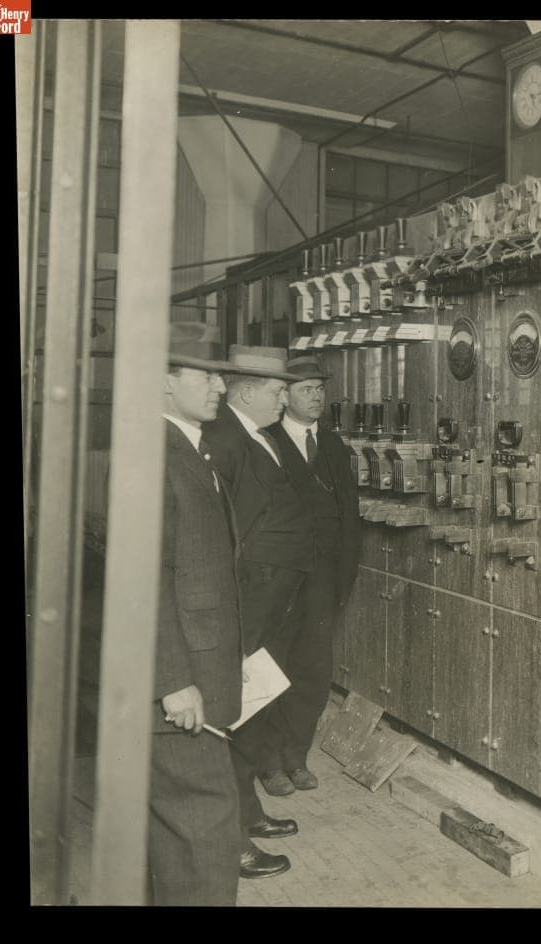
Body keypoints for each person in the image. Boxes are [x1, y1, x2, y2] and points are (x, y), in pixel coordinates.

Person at [202, 345, 310, 880]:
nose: (284, 398)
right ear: (245, 391)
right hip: (249, 600)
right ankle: (232, 835)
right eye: (276, 390)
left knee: (253, 709)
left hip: (270, 598)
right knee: (235, 715)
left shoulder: (254, 436)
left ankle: (247, 811)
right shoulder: (225, 439)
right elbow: (228, 534)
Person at [151, 323, 242, 905]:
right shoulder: (161, 457)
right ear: (164, 381)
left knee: (179, 829)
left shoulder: (189, 448)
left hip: (200, 668)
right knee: (205, 819)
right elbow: (145, 579)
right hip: (184, 681)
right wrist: (173, 680)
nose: (220, 386)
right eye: (205, 375)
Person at [262, 356, 360, 791]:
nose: (317, 395)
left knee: (314, 672)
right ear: (284, 396)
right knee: (272, 668)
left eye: (320, 388)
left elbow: (348, 516)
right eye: (306, 389)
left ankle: (295, 756)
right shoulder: (266, 443)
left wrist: (344, 577)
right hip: (279, 581)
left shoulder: (335, 446)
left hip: (321, 581)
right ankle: (267, 762)